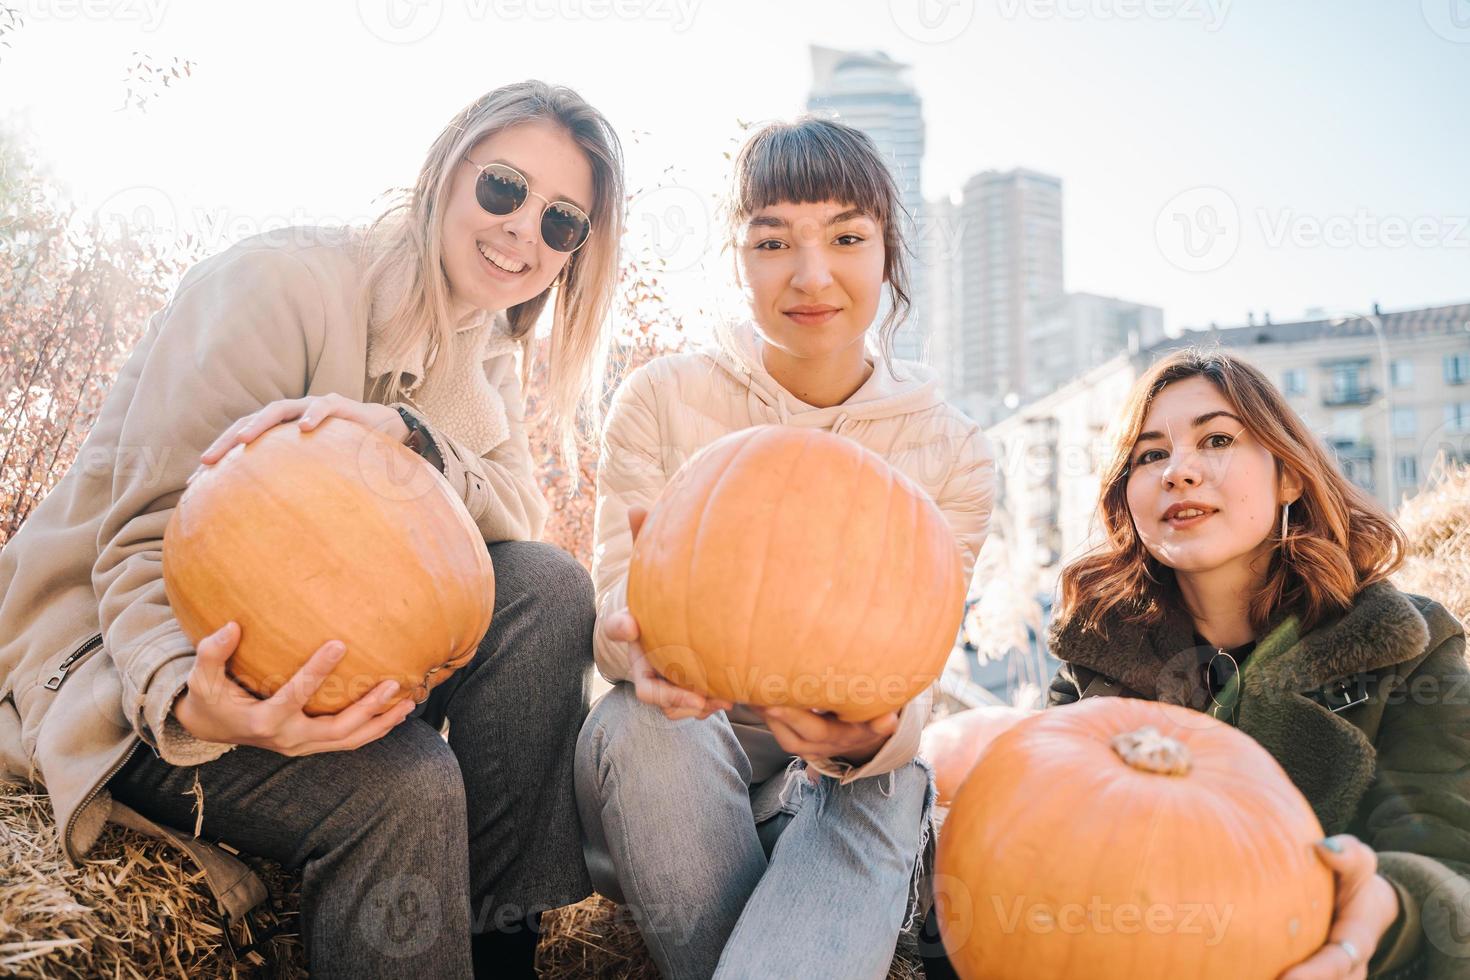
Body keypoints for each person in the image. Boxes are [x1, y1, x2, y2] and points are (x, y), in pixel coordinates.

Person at [0, 80, 625, 980]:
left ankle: (498, 940)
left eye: (563, 221)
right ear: (447, 173)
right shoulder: (277, 287)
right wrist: (192, 698)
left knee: (550, 587)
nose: (525, 230)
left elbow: (514, 520)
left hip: (320, 655)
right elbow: (142, 541)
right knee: (407, 783)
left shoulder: (482, 351)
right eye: (503, 188)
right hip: (129, 663)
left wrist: (416, 440)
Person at [575, 116, 996, 978]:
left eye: (847, 236)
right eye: (774, 242)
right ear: (738, 257)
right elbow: (610, 613)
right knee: (645, 721)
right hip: (665, 785)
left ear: (888, 253)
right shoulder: (659, 400)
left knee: (893, 778)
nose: (812, 275)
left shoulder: (954, 454)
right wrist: (636, 644)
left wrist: (865, 735)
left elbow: (913, 673)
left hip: (823, 789)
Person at [924, 348, 1470, 979]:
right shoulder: (1096, 654)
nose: (1178, 472)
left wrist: (1389, 914)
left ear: (1288, 474)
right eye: (1151, 454)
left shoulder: (1406, 645)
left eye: (1215, 439)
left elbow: (1454, 864)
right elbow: (1028, 856)